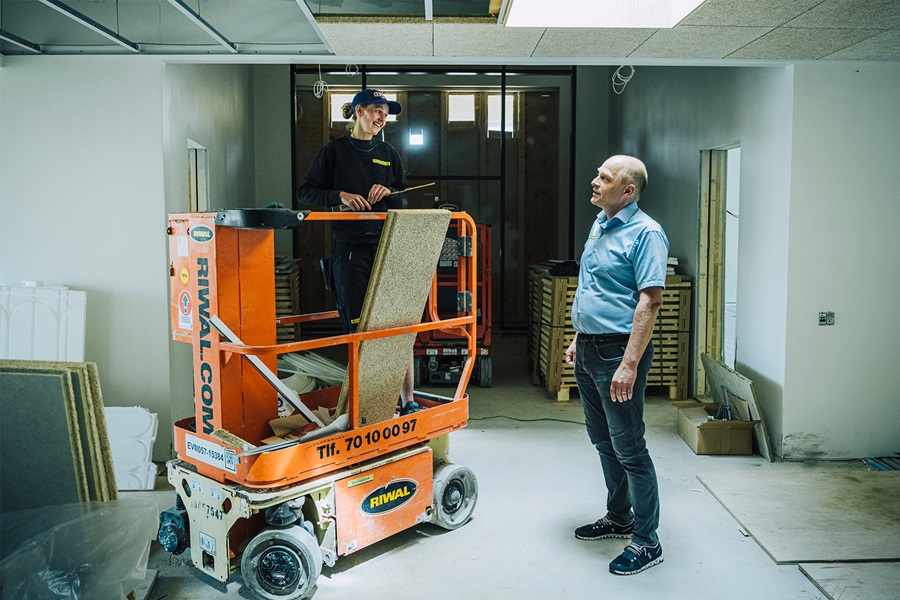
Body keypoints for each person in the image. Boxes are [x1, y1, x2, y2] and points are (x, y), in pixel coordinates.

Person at [564, 155, 669, 575]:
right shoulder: (601, 224)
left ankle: (647, 540)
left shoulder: (646, 233)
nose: (594, 181)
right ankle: (619, 516)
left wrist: (629, 364)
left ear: (627, 191)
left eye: (604, 178)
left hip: (618, 354)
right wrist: (577, 337)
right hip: (590, 348)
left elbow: (650, 300)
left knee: (629, 445)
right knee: (602, 439)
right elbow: (595, 288)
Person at [295, 89, 420, 415]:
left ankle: (408, 402)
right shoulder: (333, 151)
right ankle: (365, 408)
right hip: (351, 252)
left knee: (399, 327)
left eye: (386, 113)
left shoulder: (388, 152)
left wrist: (390, 192)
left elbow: (404, 198)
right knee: (359, 330)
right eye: (377, 111)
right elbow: (306, 191)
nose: (382, 118)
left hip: (387, 248)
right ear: (359, 111)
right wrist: (341, 195)